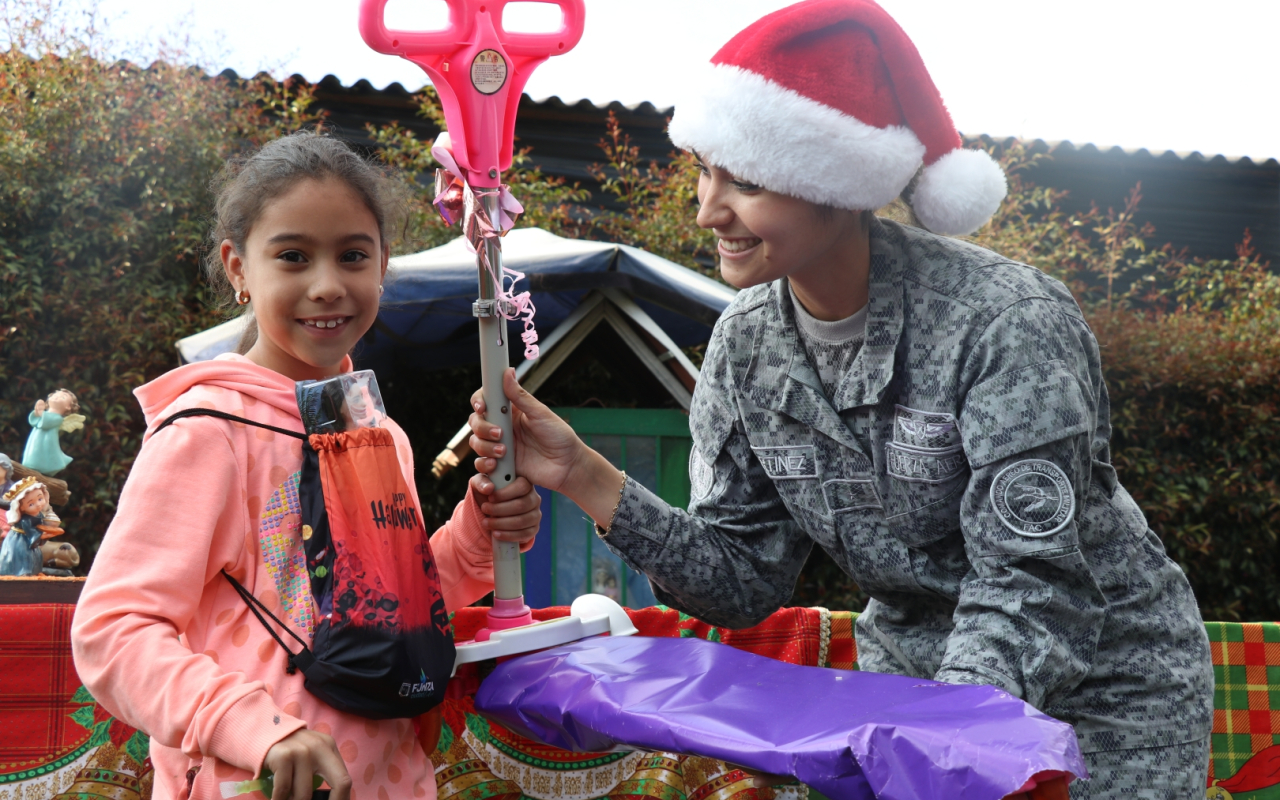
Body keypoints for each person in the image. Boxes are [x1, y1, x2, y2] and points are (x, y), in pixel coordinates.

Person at [467, 1, 1213, 797]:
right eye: (705, 171)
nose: (707, 210)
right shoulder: (746, 345)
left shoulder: (1004, 323)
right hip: (905, 698)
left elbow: (1033, 587)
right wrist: (584, 473)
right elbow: (740, 581)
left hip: (1101, 699)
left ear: (834, 182)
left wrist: (935, 743)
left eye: (745, 182)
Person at [72, 132, 542, 800]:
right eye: (292, 256)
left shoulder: (379, 433)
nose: (327, 286)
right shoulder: (207, 432)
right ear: (238, 267)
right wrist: (252, 727)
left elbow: (386, 609)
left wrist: (479, 533)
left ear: (383, 264)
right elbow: (112, 631)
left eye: (353, 255)